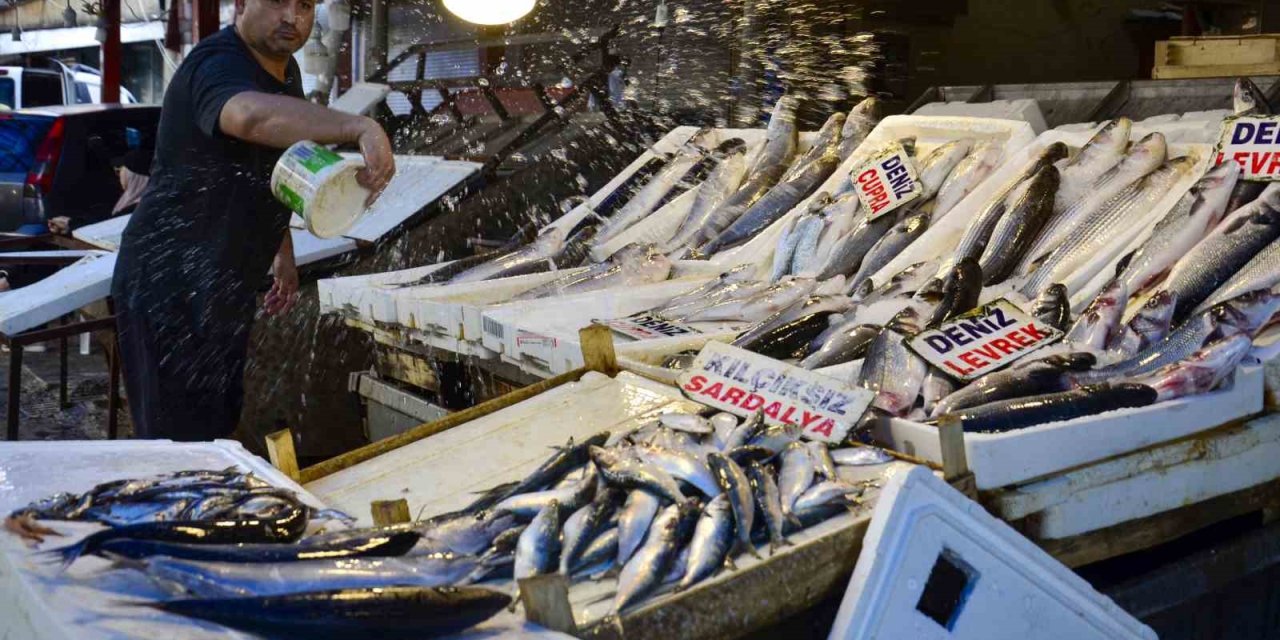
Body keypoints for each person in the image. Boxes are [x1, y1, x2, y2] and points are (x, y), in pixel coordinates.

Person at [111, 0, 395, 441]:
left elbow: (278, 167)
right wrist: (360, 127)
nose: (292, 17)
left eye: (305, 6)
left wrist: (282, 253)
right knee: (176, 441)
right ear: (241, 4)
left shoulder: (286, 73)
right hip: (170, 283)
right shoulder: (217, 62)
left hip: (224, 283)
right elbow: (248, 117)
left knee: (217, 423)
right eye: (278, 1)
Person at [48, 147, 153, 235]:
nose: (119, 177)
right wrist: (70, 222)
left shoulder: (138, 210)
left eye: (120, 171)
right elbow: (103, 220)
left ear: (134, 178)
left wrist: (71, 225)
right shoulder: (133, 202)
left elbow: (108, 228)